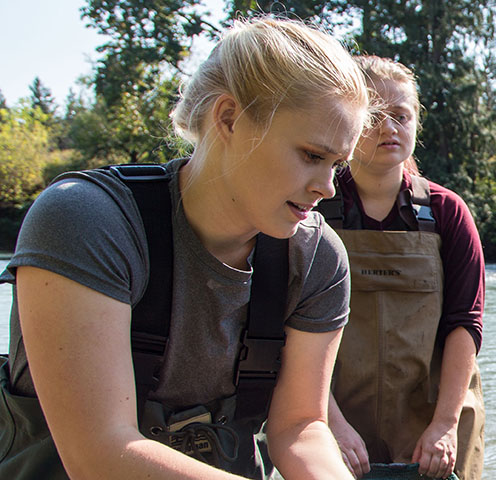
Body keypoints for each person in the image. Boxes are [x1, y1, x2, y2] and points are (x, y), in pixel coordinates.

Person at [0, 17, 368, 480]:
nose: (328, 188)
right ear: (228, 117)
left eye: (338, 164)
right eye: (313, 156)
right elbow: (99, 454)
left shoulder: (317, 258)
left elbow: (300, 425)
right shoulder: (84, 221)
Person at [320, 56, 486, 480]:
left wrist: (445, 425)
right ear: (348, 119)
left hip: (435, 423)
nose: (390, 127)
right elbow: (284, 325)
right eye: (375, 115)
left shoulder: (448, 212)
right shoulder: (314, 207)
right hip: (334, 419)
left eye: (401, 115)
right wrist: (326, 424)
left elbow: (465, 324)